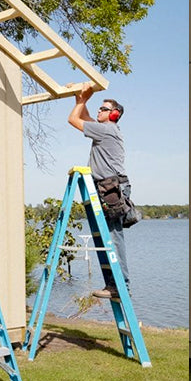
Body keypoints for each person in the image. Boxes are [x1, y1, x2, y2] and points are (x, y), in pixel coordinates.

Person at [68, 84, 131, 299]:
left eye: (103, 109)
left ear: (113, 114)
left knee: (114, 238)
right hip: (109, 186)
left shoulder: (106, 130)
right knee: (111, 238)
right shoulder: (103, 130)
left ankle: (120, 287)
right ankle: (115, 285)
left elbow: (74, 120)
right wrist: (83, 99)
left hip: (111, 187)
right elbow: (84, 116)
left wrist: (80, 101)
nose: (99, 111)